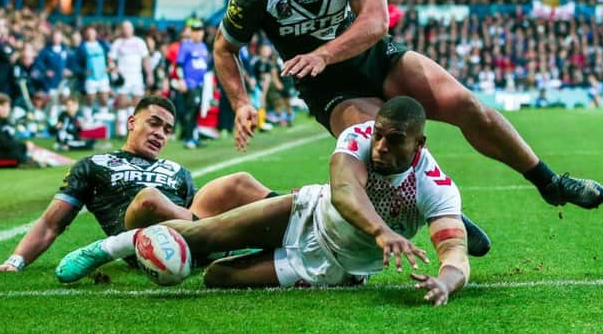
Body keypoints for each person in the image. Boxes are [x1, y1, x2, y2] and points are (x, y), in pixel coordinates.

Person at [213, 0, 603, 222]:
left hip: (378, 58)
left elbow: (376, 21)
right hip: (330, 88)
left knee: (467, 105)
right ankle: (450, 217)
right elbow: (224, 48)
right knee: (382, 147)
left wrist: (322, 52)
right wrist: (242, 103)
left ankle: (549, 182)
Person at [56, 97, 468, 306]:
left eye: (393, 140)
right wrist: (382, 231)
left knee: (217, 276)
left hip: (330, 266)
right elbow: (345, 192)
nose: (378, 145)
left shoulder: (435, 185)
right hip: (307, 212)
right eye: (378, 133)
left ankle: (252, 248)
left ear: (419, 143)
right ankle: (108, 247)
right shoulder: (359, 138)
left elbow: (456, 256)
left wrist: (445, 283)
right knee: (201, 234)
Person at [0, 96, 276, 274]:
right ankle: (230, 238)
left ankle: (299, 214)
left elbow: (190, 211)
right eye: (153, 123)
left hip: (188, 233)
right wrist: (14, 262)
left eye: (167, 129)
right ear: (132, 123)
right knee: (149, 198)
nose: (160, 133)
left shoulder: (177, 169)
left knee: (238, 181)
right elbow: (51, 223)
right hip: (144, 241)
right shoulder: (94, 165)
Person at [108, 21, 154, 137]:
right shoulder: (118, 43)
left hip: (136, 77)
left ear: (132, 29)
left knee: (137, 103)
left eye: (128, 27)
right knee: (122, 102)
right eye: (124, 28)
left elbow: (145, 59)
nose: (126, 30)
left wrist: (149, 74)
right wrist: (114, 70)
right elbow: (110, 59)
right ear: (121, 29)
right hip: (124, 78)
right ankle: (121, 132)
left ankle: (132, 130)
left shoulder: (139, 42)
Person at [176, 20, 210, 149]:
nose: (198, 34)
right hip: (190, 83)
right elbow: (179, 65)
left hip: (201, 83)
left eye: (200, 31)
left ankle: (194, 137)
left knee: (196, 110)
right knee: (191, 109)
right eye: (195, 31)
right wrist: (181, 80)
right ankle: (188, 138)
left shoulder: (203, 46)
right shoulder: (186, 46)